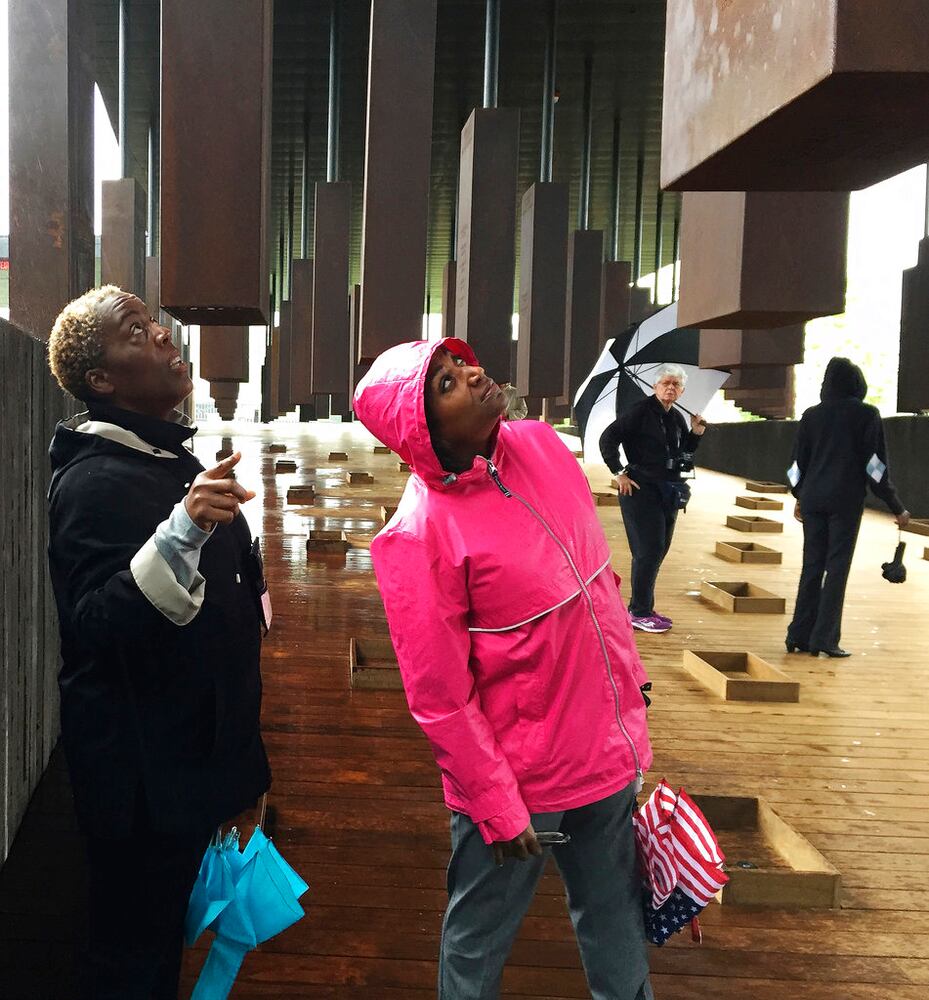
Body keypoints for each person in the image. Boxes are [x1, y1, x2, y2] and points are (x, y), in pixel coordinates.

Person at [353, 338, 654, 1000]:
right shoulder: (417, 535)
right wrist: (495, 802)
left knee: (617, 927)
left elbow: (595, 585)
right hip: (518, 785)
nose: (470, 373)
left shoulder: (543, 447)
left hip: (603, 753)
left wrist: (629, 695)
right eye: (444, 384)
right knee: (477, 942)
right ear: (423, 435)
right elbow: (439, 698)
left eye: (459, 364)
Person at [46, 286, 271, 999]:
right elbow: (92, 625)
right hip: (138, 783)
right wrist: (183, 531)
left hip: (191, 765)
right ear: (102, 381)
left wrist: (246, 775)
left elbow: (228, 632)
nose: (163, 335)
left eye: (154, 322)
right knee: (127, 958)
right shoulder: (91, 480)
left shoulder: (167, 464)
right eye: (136, 331)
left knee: (160, 949)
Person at [786, 356, 909, 658]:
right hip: (845, 501)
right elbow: (875, 466)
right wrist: (895, 504)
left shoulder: (811, 415)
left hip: (813, 500)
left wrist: (799, 494)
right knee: (837, 568)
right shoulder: (866, 414)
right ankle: (825, 639)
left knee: (811, 567)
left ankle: (798, 634)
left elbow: (795, 465)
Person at [598, 364, 706, 633]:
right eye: (666, 383)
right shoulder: (640, 412)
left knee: (660, 549)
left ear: (681, 391)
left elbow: (682, 456)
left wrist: (695, 434)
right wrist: (619, 472)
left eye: (676, 385)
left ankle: (643, 606)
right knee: (648, 551)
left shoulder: (677, 418)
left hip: (668, 490)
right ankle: (639, 611)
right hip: (639, 489)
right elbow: (608, 438)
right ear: (655, 386)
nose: (670, 388)